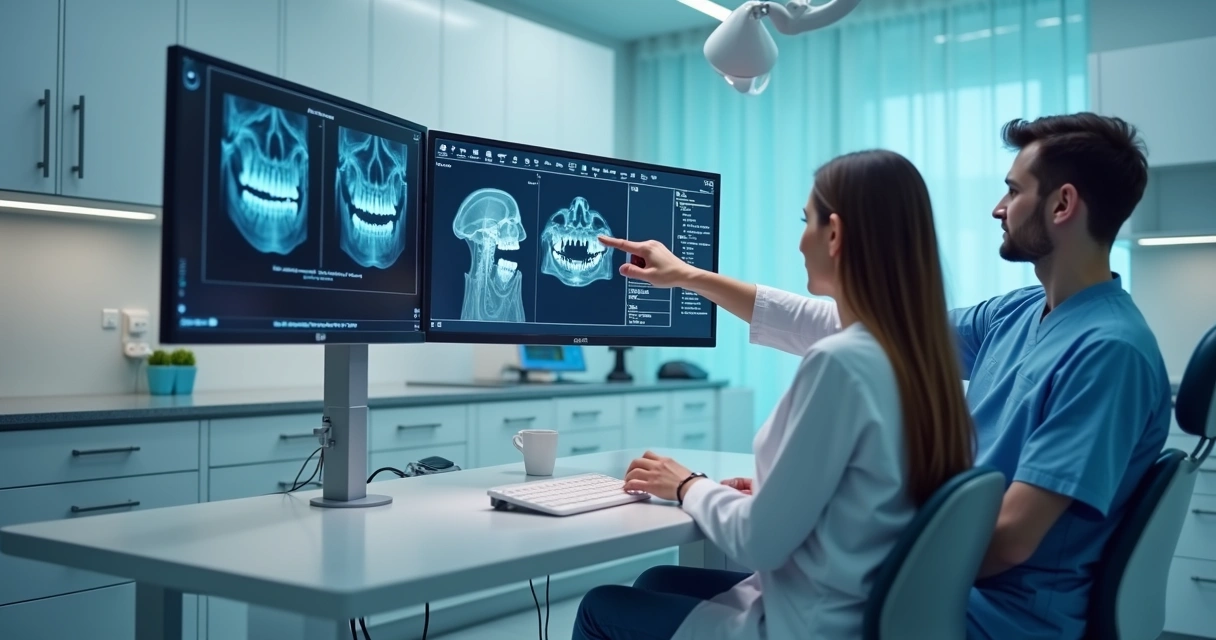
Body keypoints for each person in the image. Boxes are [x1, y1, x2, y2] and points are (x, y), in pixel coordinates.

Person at [587, 112, 1172, 640]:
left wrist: (843, 521)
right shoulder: (1016, 314)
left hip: (987, 614)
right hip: (941, 585)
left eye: (1013, 191)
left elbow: (1011, 540)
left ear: (1062, 205)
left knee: (608, 608)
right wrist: (690, 277)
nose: (998, 208)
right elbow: (872, 328)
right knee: (656, 583)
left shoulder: (1108, 353)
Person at [572, 149, 977, 640]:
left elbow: (758, 542)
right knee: (657, 579)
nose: (799, 240)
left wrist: (687, 485)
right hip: (863, 608)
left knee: (601, 605)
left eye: (805, 220)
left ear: (835, 234)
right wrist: (774, 491)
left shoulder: (841, 363)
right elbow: (874, 496)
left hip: (811, 625)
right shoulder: (921, 355)